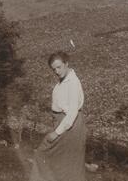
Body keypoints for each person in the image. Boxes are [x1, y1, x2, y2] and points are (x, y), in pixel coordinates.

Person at [30, 51, 86, 181]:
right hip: (63, 122)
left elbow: (72, 112)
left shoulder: (72, 83)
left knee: (44, 154)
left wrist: (56, 132)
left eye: (59, 67)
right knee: (62, 163)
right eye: (53, 69)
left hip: (70, 125)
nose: (56, 71)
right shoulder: (63, 81)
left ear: (66, 64)